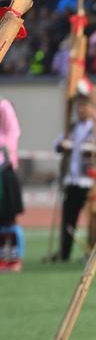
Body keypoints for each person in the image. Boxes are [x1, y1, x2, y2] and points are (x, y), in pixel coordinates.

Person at [53, 89, 96, 262]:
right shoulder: (71, 128)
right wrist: (62, 146)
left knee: (93, 219)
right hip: (73, 180)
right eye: (79, 106)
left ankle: (92, 252)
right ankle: (64, 253)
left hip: (90, 181)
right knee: (68, 218)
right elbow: (57, 145)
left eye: (85, 106)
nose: (81, 110)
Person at [0, 95, 23, 272]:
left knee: (8, 217)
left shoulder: (4, 106)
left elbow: (13, 132)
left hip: (4, 171)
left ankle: (13, 258)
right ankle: (2, 256)